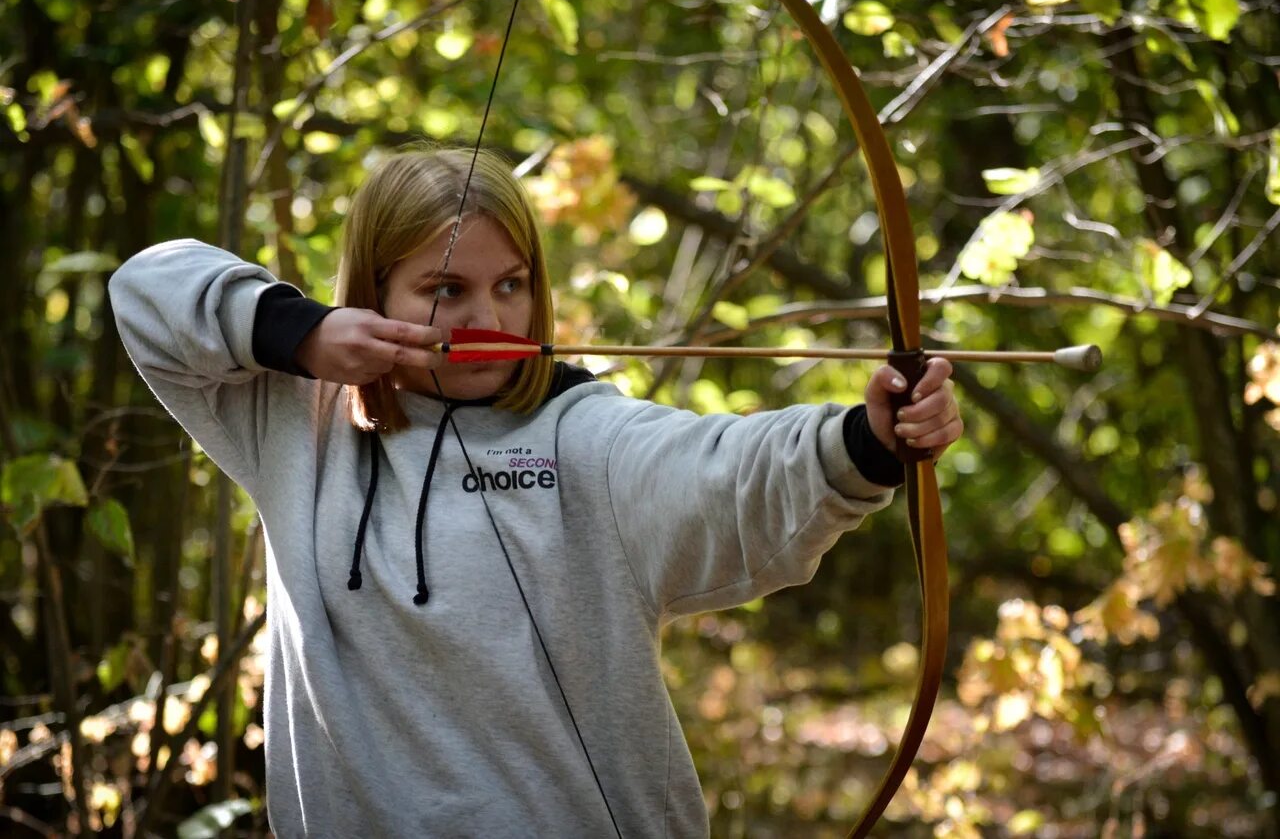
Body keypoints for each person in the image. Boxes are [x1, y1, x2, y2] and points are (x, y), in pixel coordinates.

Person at [110, 146, 962, 838]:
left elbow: (723, 467)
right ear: (374, 296)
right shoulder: (300, 425)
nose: (491, 317)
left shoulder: (585, 436)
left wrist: (867, 438)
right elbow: (145, 290)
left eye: (510, 284)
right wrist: (298, 331)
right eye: (448, 289)